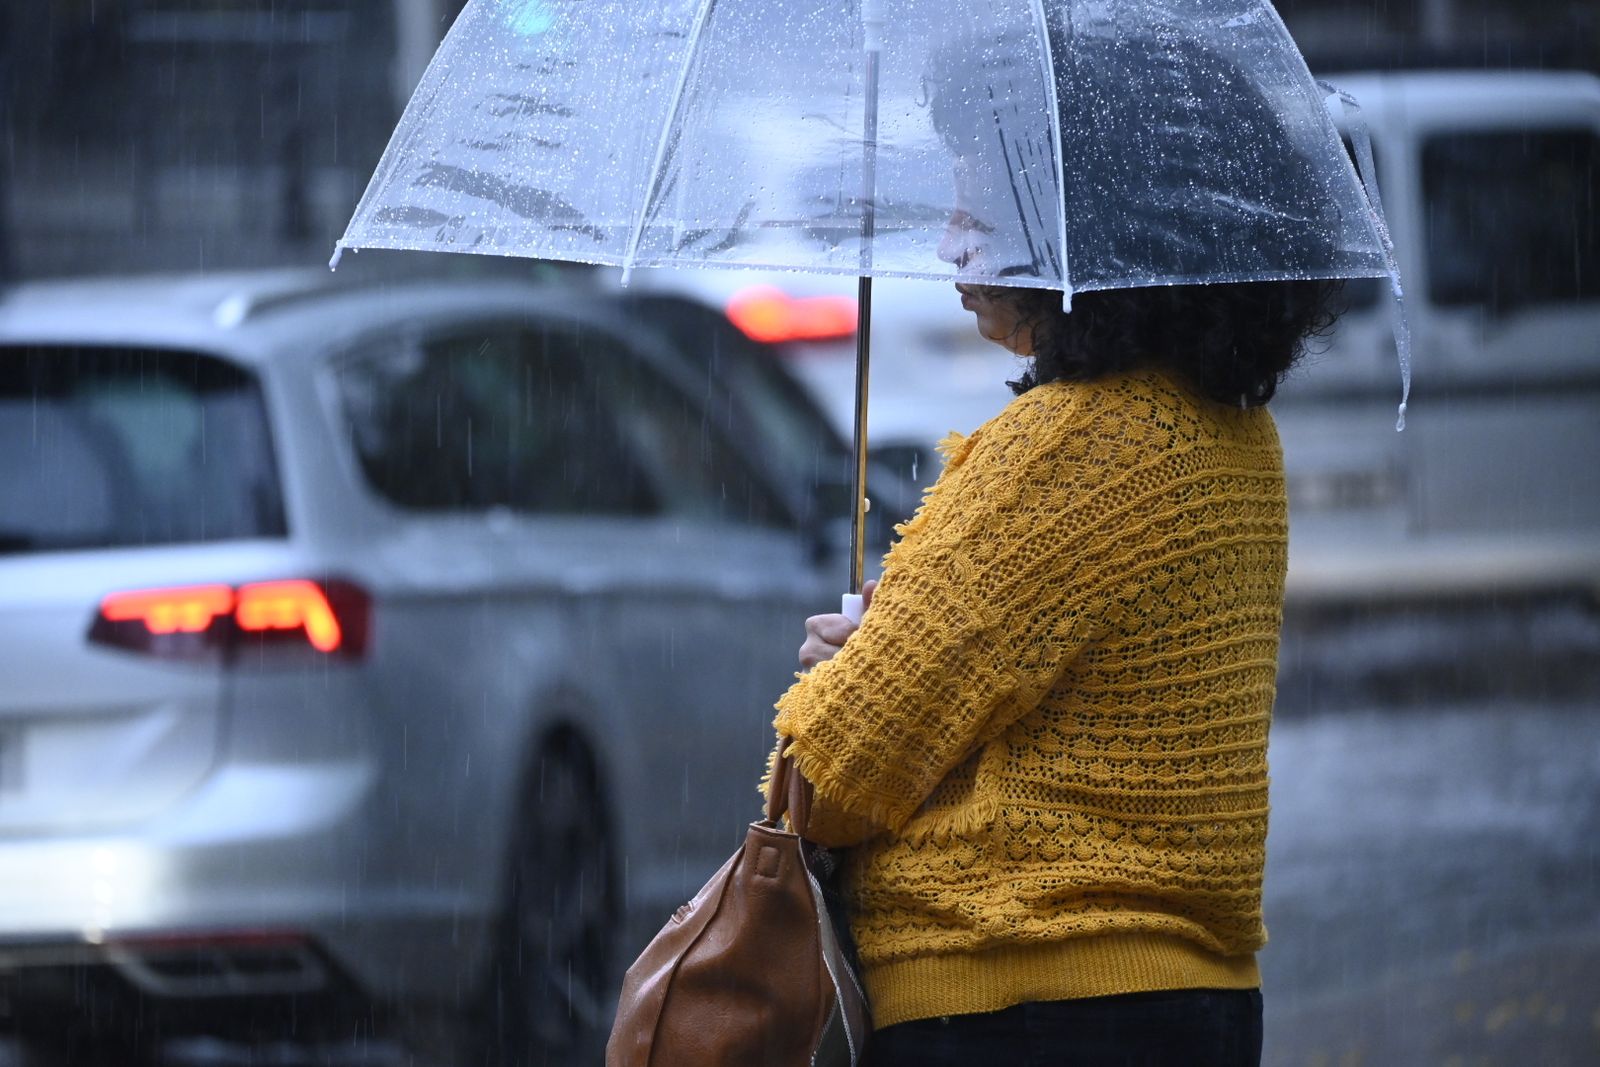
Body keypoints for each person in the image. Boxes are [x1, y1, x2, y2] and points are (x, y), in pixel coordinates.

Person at [766, 30, 1348, 1067]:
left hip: (1017, 1010)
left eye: (977, 199)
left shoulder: (1068, 446)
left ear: (1083, 211)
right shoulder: (1232, 437)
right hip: (1189, 1009)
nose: (949, 241)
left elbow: (829, 774)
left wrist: (846, 669)